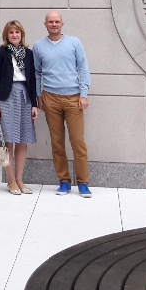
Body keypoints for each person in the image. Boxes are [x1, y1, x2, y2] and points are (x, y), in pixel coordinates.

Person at [32, 11, 92, 197]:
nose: (54, 24)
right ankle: (64, 181)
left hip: (73, 98)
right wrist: (38, 95)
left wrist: (83, 94)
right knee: (57, 143)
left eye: (57, 21)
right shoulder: (38, 46)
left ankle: (83, 183)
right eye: (51, 22)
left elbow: (83, 68)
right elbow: (36, 72)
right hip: (50, 98)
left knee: (77, 142)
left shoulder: (74, 43)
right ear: (45, 24)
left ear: (62, 24)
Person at [0, 20, 38, 195]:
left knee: (22, 140)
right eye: (11, 33)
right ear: (6, 35)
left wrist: (34, 104)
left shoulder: (28, 54)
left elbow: (32, 79)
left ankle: (19, 178)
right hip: (6, 98)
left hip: (24, 96)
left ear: (22, 34)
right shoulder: (1, 53)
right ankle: (10, 181)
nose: (15, 35)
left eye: (17, 32)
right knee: (8, 141)